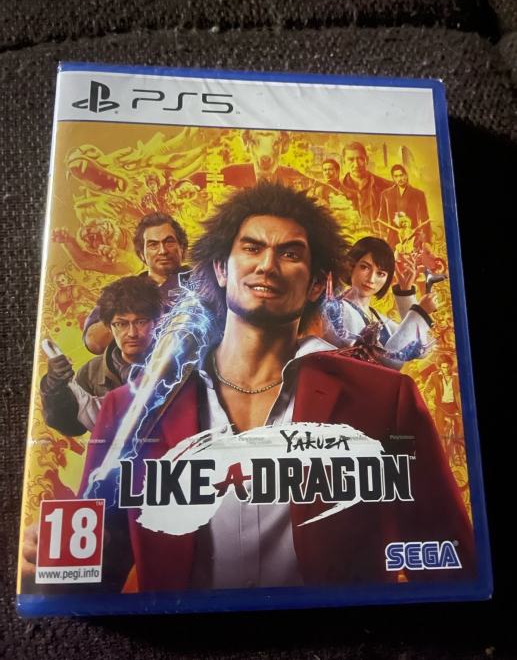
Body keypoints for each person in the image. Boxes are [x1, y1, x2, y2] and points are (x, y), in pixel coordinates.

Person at [74, 183, 474, 592]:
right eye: (251, 248)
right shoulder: (131, 408)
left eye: (290, 254)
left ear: (317, 284)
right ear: (221, 269)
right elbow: (90, 571)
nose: (267, 265)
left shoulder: (385, 400)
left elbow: (454, 568)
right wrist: (54, 565)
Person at [40, 276, 162, 437]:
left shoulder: (177, 364)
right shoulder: (91, 372)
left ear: (156, 322)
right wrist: (54, 385)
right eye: (121, 324)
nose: (132, 333)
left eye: (141, 322)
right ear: (109, 328)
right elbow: (71, 427)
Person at [323, 236, 437, 368]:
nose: (371, 279)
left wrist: (406, 293)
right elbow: (388, 361)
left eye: (381, 273)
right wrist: (419, 313)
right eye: (364, 267)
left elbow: (424, 348)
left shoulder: (378, 318)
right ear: (351, 266)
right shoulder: (338, 309)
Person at [83, 212, 188, 355]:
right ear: (141, 254)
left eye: (169, 242)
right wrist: (132, 307)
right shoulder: (123, 291)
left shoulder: (206, 281)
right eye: (153, 245)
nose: (163, 251)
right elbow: (94, 342)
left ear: (182, 248)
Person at [377, 164, 431, 247]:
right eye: (396, 176)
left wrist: (427, 241)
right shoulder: (386, 194)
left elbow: (425, 218)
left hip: (412, 236)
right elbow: (382, 218)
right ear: (393, 178)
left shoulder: (418, 194)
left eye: (401, 175)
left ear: (406, 175)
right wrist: (383, 239)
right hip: (392, 239)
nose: (399, 179)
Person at [341, 141, 391, 229]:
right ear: (344, 162)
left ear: (366, 160)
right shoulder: (336, 188)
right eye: (351, 159)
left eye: (360, 159)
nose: (356, 165)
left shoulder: (387, 187)